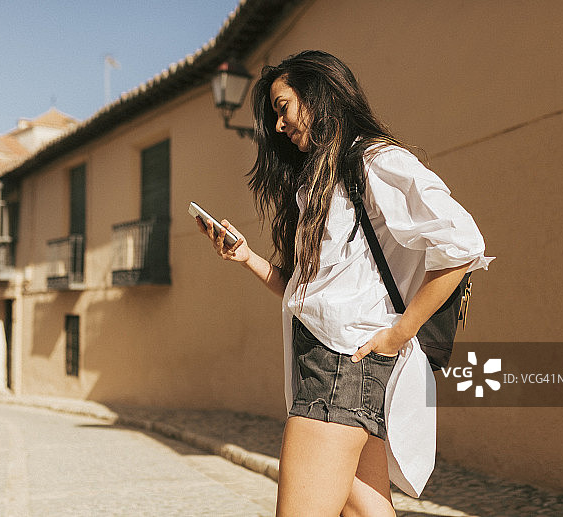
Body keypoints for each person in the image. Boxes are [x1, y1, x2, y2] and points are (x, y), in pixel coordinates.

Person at [195, 50, 492, 517]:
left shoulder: (373, 161)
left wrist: (399, 333)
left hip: (340, 369)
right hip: (334, 365)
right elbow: (313, 297)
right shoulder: (326, 181)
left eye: (282, 106)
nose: (277, 125)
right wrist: (248, 258)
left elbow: (462, 243)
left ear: (317, 95)